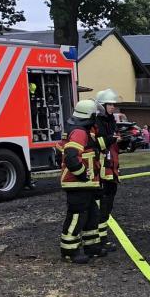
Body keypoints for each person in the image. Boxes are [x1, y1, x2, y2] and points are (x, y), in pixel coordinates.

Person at [58, 99, 104, 264]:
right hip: (77, 183)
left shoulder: (80, 129)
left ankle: (92, 247)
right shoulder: (79, 132)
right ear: (90, 116)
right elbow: (71, 157)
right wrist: (83, 174)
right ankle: (69, 251)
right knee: (77, 216)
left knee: (92, 214)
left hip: (86, 183)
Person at [94, 89, 122, 252]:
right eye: (110, 104)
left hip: (111, 169)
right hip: (101, 171)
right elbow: (97, 143)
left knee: (108, 205)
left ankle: (102, 238)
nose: (113, 107)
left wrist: (122, 141)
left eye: (113, 104)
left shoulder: (111, 121)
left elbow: (113, 144)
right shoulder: (97, 122)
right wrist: (112, 139)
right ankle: (98, 239)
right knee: (102, 205)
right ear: (102, 105)